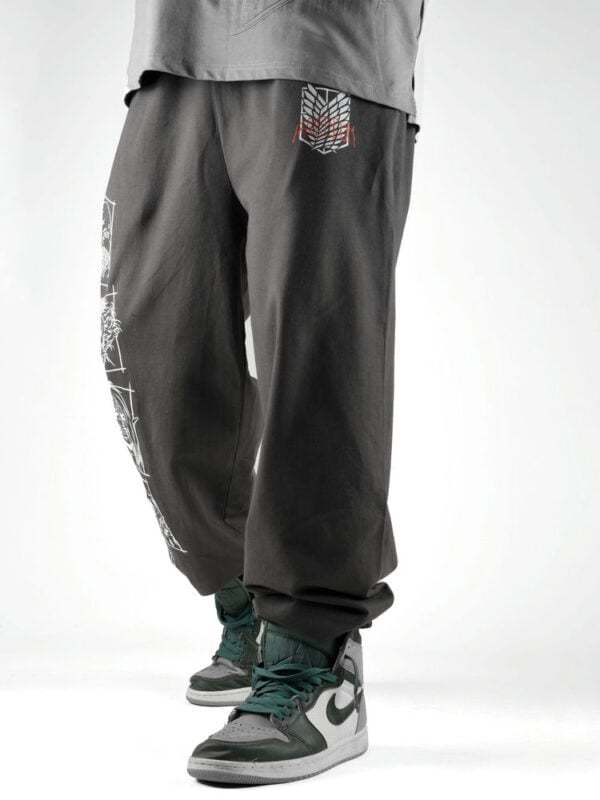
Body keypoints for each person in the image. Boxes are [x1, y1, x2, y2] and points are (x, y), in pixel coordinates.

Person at [101, 0, 425, 785]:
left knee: (317, 356)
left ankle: (316, 653)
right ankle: (250, 599)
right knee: (151, 355)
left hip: (327, 50)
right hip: (173, 54)